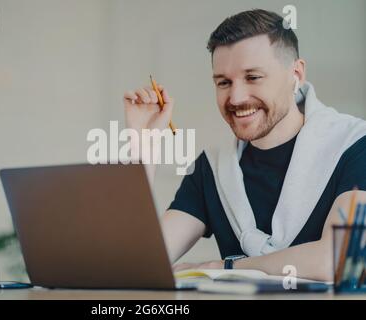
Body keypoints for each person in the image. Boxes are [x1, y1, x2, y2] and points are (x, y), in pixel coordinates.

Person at [123, 9, 366, 281]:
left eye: (253, 77)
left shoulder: (355, 147)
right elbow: (135, 264)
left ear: (296, 74)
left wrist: (225, 268)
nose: (236, 98)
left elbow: (342, 258)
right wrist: (143, 146)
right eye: (224, 82)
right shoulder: (211, 169)